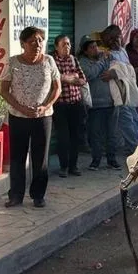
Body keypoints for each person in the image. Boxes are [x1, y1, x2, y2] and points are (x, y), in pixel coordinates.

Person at [0, 27, 61, 208]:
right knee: (17, 158)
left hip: (43, 117)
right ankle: (16, 195)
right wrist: (20, 108)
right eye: (32, 41)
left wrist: (46, 106)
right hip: (18, 116)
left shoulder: (49, 61)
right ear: (23, 44)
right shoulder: (13, 62)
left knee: (40, 158)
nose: (37, 44)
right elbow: (4, 90)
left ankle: (38, 195)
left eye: (40, 40)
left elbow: (57, 88)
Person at [99, 24, 138, 157]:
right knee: (127, 122)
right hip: (120, 93)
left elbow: (129, 70)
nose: (116, 41)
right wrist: (118, 72)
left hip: (130, 90)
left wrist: (119, 72)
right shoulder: (106, 55)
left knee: (135, 120)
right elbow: (106, 75)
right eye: (112, 39)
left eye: (118, 37)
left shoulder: (122, 51)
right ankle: (137, 151)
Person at [78, 36, 118, 170]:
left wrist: (113, 73)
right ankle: (96, 160)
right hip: (95, 105)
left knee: (112, 134)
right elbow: (90, 74)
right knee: (95, 135)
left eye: (96, 46)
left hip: (111, 102)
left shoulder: (107, 58)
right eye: (92, 47)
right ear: (85, 51)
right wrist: (101, 62)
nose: (95, 49)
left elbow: (120, 68)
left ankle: (112, 160)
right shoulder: (83, 62)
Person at [51, 34, 87, 178]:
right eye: (64, 44)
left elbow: (83, 80)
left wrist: (69, 79)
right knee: (63, 137)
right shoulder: (52, 60)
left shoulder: (73, 59)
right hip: (59, 104)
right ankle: (63, 166)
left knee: (75, 136)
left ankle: (73, 166)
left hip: (75, 103)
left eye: (68, 44)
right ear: (56, 47)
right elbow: (53, 78)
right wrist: (69, 78)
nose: (67, 47)